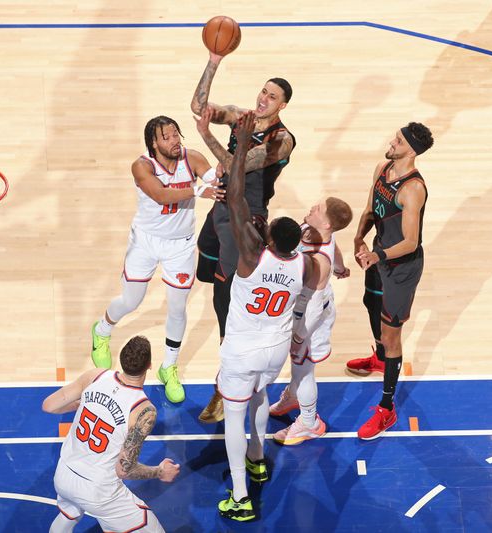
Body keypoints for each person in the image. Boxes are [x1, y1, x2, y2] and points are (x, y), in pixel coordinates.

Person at [207, 110, 317, 521]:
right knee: (259, 397)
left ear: (269, 237)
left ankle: (240, 496)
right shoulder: (302, 264)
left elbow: (235, 198)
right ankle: (257, 457)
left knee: (233, 419)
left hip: (243, 349)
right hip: (275, 354)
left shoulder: (252, 257)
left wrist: (238, 151)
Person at [190, 50, 297, 423]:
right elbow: (198, 105)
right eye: (262, 91)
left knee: (227, 306)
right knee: (207, 272)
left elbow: (238, 166)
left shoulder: (282, 140)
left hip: (246, 217)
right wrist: (214, 59)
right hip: (222, 208)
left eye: (271, 96)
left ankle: (228, 387)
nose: (263, 98)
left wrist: (206, 137)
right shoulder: (241, 117)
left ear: (282, 105)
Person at [90, 116, 223, 404]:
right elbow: (161, 195)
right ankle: (101, 331)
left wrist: (223, 169)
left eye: (176, 134)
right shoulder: (142, 166)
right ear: (154, 142)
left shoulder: (193, 158)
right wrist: (198, 189)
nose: (175, 140)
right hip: (146, 242)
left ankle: (169, 367)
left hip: (181, 245)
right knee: (131, 300)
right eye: (167, 137)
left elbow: (217, 179)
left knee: (177, 309)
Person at [348, 122, 434, 440]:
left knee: (391, 332)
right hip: (379, 254)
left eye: (398, 141)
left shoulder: (413, 189)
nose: (391, 142)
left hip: (401, 267)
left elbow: (411, 241)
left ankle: (387, 409)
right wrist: (359, 238)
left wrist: (377, 257)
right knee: (370, 302)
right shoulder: (382, 168)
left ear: (411, 149)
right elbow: (372, 209)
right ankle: (380, 358)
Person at [43, 335, 180, 532]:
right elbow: (124, 470)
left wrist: (84, 405)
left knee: (69, 513)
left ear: (122, 359)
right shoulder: (143, 410)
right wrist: (159, 472)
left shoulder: (96, 376)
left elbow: (49, 406)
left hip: (64, 474)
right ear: (149, 365)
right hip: (98, 490)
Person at [268, 198, 353, 445]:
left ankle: (309, 422)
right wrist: (340, 267)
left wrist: (299, 337)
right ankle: (294, 397)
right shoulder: (312, 230)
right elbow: (335, 246)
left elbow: (314, 309)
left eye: (318, 209)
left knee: (303, 369)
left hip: (309, 320)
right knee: (298, 366)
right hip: (300, 311)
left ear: (326, 222)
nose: (312, 208)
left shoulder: (318, 262)